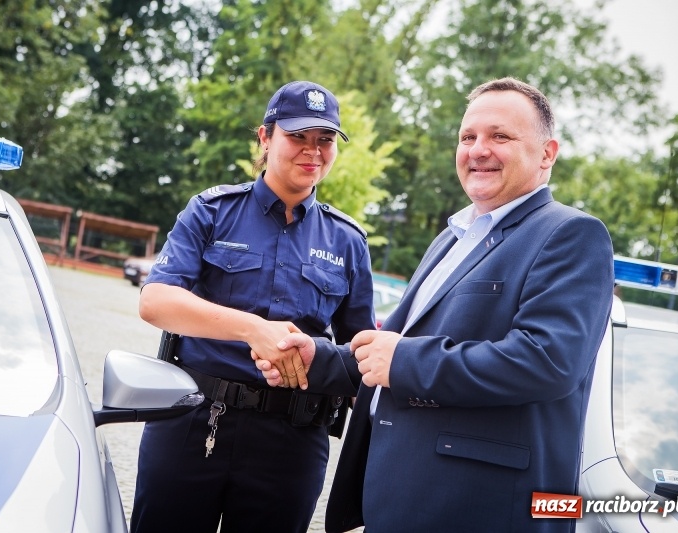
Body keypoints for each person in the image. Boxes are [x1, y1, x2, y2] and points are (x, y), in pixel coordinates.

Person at [258, 77, 615, 532]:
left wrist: (404, 359)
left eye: (500, 136)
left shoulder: (570, 234)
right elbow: (396, 347)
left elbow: (547, 361)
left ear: (547, 153)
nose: (478, 149)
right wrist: (320, 359)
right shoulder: (453, 236)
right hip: (401, 498)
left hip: (477, 510)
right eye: (468, 137)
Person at [130, 80, 375, 533]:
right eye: (297, 137)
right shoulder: (210, 211)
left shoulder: (348, 242)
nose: (313, 151)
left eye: (324, 140)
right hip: (192, 424)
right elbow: (155, 300)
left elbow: (361, 354)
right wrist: (253, 329)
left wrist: (319, 358)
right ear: (265, 137)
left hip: (292, 443)